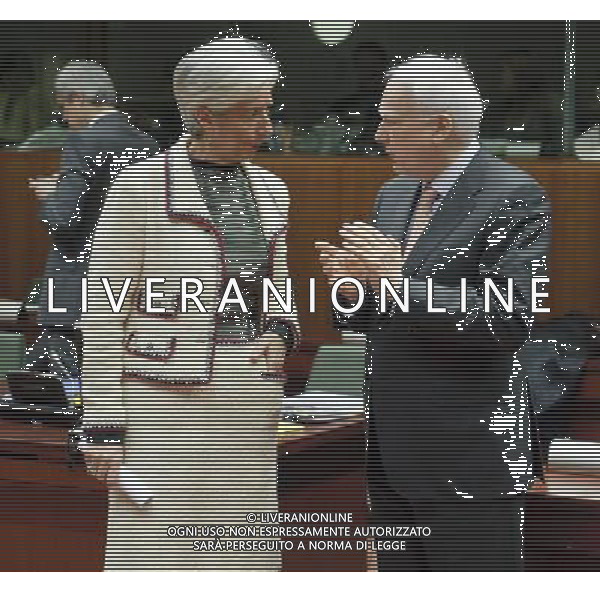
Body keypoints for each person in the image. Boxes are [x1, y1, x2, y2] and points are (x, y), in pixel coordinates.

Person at [317, 54, 551, 571]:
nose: (379, 134)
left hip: (469, 451)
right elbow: (376, 312)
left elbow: (510, 318)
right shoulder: (395, 193)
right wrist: (351, 292)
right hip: (391, 448)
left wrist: (394, 284)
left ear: (440, 125)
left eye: (391, 120)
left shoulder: (513, 194)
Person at [79, 37, 300, 571]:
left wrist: (280, 331)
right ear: (203, 114)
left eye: (269, 110)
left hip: (249, 396)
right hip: (162, 402)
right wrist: (103, 427)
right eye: (252, 114)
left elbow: (278, 285)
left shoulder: (272, 189)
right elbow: (103, 307)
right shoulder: (141, 184)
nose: (266, 127)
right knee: (157, 546)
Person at [25, 61, 159, 379]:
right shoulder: (148, 146)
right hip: (132, 281)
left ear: (78, 98)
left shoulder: (82, 142)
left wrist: (49, 194)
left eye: (64, 106)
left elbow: (65, 216)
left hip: (76, 281)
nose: (64, 118)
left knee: (64, 386)